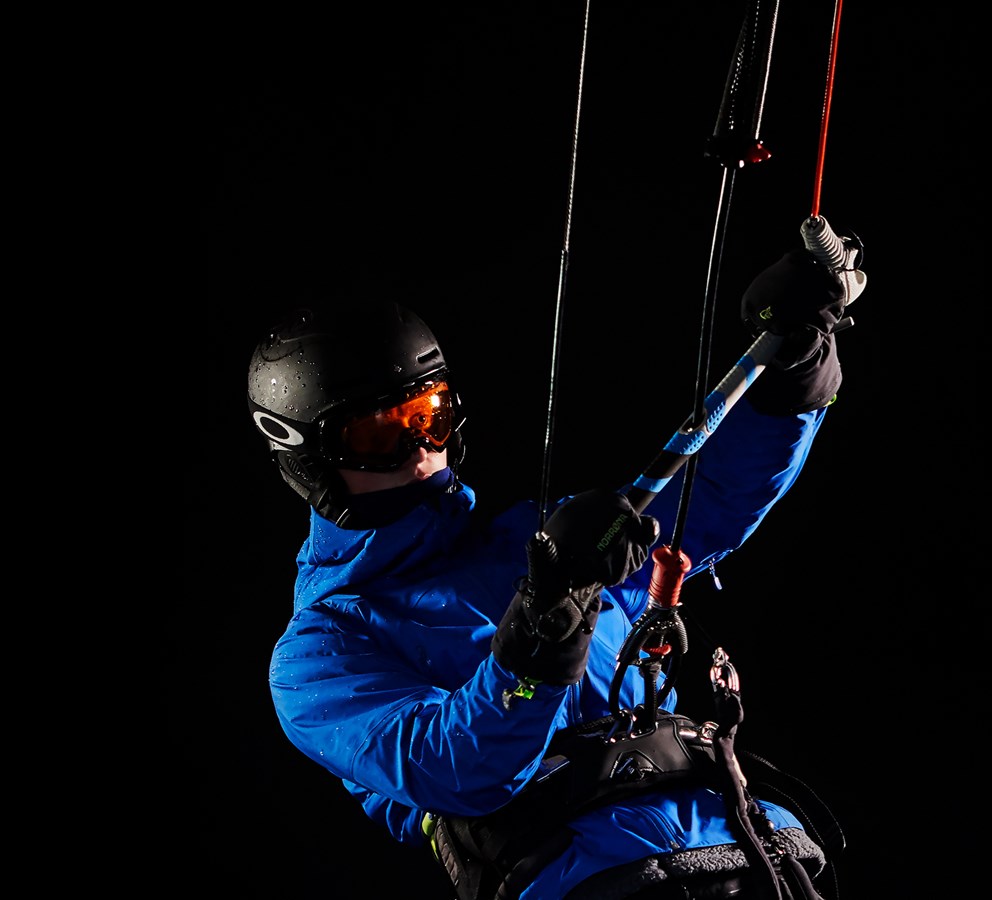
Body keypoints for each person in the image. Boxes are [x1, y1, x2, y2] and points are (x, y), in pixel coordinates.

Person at [247, 245, 865, 899]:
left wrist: (790, 379)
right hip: (600, 883)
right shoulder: (321, 653)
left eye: (431, 415)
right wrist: (544, 628)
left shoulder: (538, 539)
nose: (420, 451)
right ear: (311, 458)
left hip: (753, 854)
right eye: (378, 436)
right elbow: (455, 766)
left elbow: (706, 506)